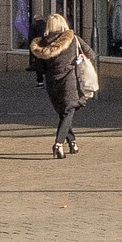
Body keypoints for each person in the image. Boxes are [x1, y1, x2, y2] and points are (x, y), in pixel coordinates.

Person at [29, 13, 96, 158]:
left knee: (64, 112)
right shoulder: (72, 39)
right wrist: (80, 58)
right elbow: (92, 54)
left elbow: (40, 68)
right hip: (70, 81)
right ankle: (58, 144)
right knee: (68, 111)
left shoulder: (41, 45)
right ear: (63, 24)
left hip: (52, 83)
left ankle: (72, 143)